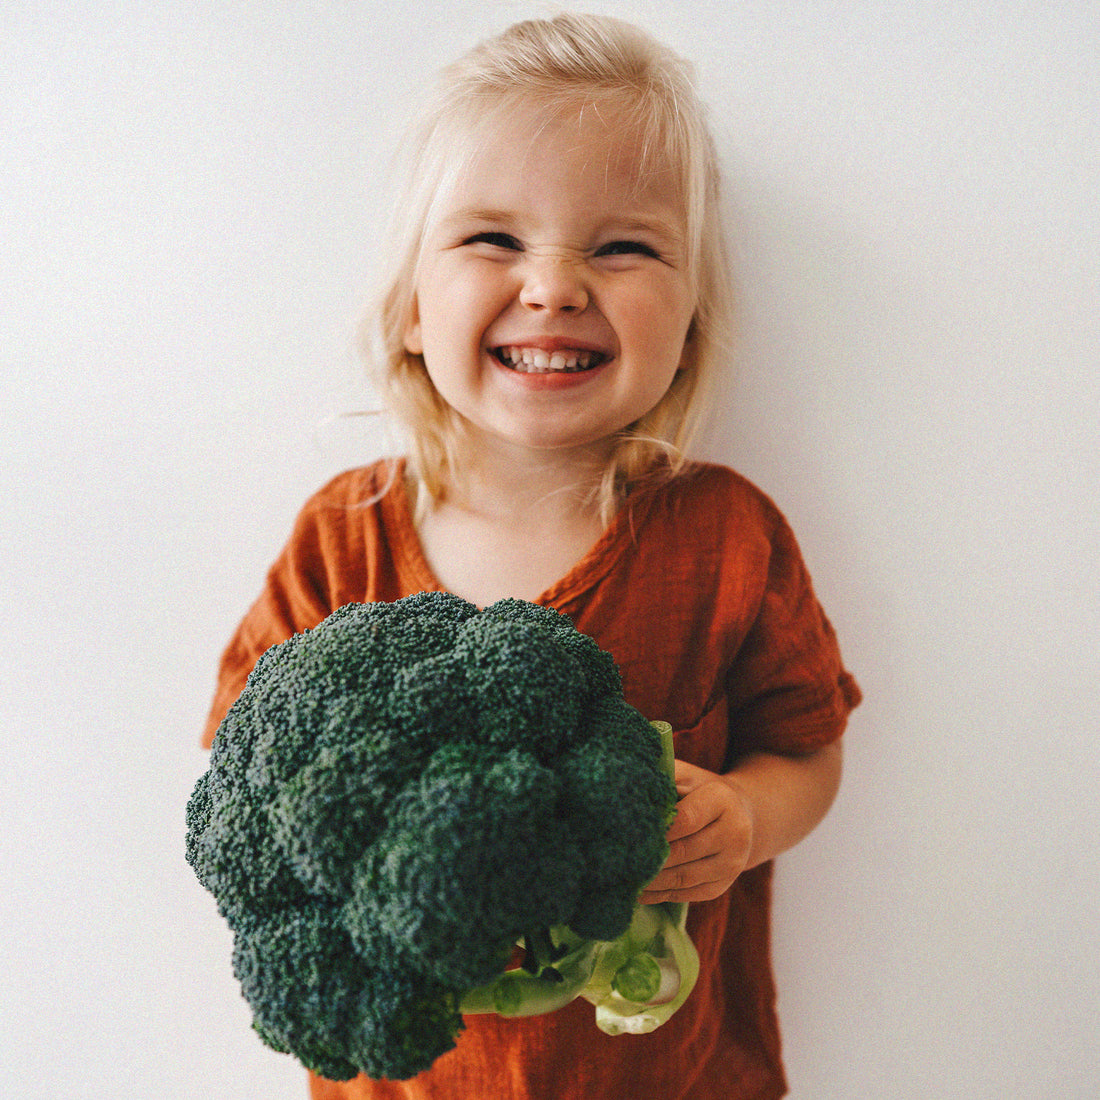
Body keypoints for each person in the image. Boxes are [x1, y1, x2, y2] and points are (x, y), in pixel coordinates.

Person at [201, 12, 861, 1099]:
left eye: (621, 246)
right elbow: (246, 765)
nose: (552, 283)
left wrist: (744, 820)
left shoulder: (725, 538)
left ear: (689, 321)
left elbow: (808, 747)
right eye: (492, 240)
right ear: (414, 308)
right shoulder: (341, 538)